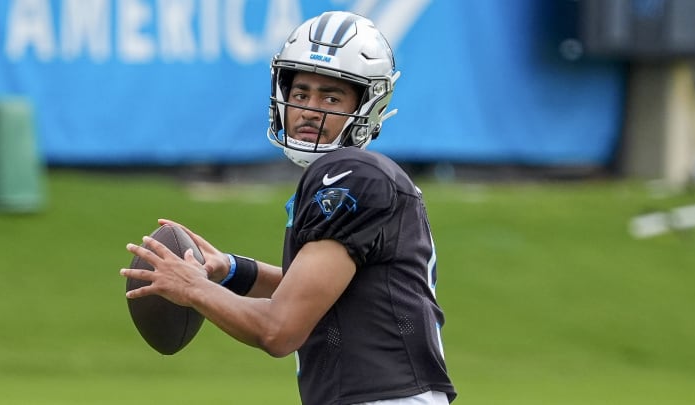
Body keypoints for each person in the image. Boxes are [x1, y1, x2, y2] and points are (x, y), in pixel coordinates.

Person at [121, 10, 456, 405]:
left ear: (367, 105)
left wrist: (193, 288)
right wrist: (230, 269)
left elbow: (278, 330)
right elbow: (316, 290)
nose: (310, 110)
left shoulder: (349, 173)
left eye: (331, 97)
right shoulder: (357, 175)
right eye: (300, 94)